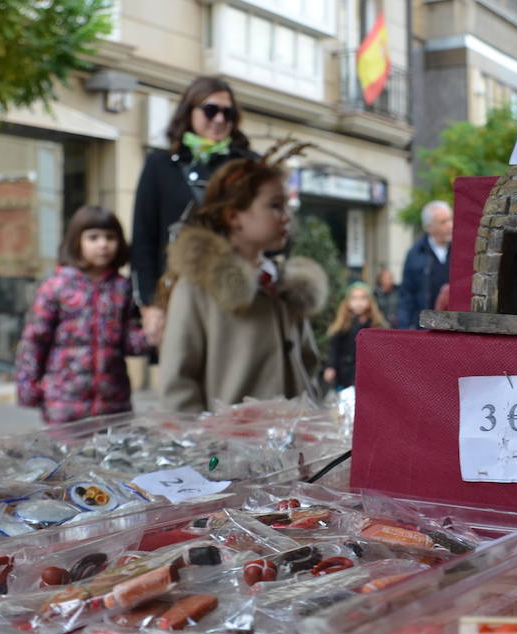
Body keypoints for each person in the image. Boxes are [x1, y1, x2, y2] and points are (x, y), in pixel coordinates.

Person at [159, 152, 328, 414]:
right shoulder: (197, 288)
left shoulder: (285, 286)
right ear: (233, 216)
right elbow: (178, 385)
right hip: (231, 449)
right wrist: (200, 449)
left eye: (287, 207)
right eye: (275, 206)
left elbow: (308, 362)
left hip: (298, 445)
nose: (286, 217)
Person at [130, 76, 254, 346]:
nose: (219, 119)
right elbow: (143, 239)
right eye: (210, 110)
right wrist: (150, 306)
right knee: (184, 381)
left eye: (228, 112)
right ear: (189, 111)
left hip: (238, 294)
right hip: (180, 295)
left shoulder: (249, 165)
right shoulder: (160, 164)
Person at [15, 206, 149, 424]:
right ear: (76, 241)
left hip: (113, 405)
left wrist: (153, 336)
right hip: (64, 404)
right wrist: (27, 385)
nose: (103, 244)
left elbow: (128, 341)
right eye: (93, 237)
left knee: (113, 457)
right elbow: (34, 339)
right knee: (66, 457)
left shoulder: (123, 288)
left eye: (110, 237)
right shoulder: (57, 287)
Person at [396, 199, 453, 328]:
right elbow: (406, 295)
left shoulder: (461, 250)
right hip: (425, 327)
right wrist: (404, 329)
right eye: (444, 222)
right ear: (429, 227)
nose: (450, 225)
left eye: (451, 219)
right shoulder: (415, 254)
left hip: (455, 326)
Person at [323, 282, 388, 390]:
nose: (359, 302)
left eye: (363, 298)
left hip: (368, 373)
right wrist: (330, 367)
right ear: (347, 302)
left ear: (370, 301)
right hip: (344, 373)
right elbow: (334, 348)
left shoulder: (375, 325)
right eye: (354, 298)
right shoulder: (343, 325)